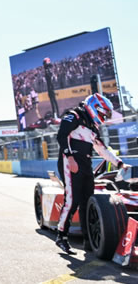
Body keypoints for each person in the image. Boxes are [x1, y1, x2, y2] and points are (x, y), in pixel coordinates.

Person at [54, 93, 129, 254]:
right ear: (96, 107)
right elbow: (61, 135)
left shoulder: (93, 127)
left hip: (86, 164)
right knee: (72, 200)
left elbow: (102, 150)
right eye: (104, 113)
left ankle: (89, 240)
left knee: (88, 202)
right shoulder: (74, 116)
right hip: (70, 162)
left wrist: (120, 163)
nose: (105, 116)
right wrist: (70, 157)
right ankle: (61, 236)